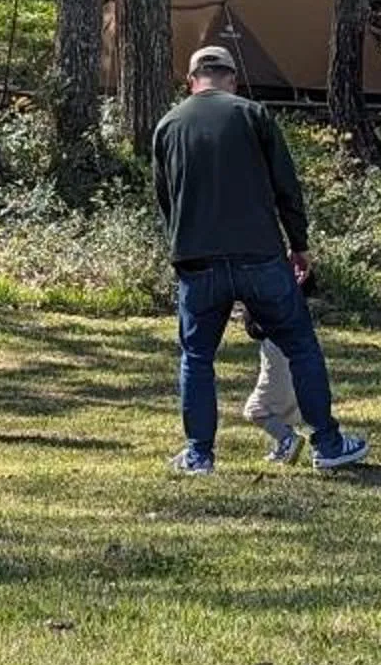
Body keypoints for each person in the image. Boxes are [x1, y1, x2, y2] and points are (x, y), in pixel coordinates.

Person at [152, 44, 368, 474]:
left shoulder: (168, 125)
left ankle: (198, 453)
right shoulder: (253, 115)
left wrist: (180, 245)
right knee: (301, 345)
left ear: (191, 81)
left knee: (197, 357)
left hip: (198, 260)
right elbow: (286, 185)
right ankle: (326, 443)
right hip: (259, 256)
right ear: (231, 78)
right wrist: (299, 243)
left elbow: (165, 199)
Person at [241, 305, 306, 465]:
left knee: (255, 410)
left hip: (279, 378)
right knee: (282, 412)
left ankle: (288, 439)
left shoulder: (271, 340)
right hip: (298, 379)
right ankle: (282, 449)